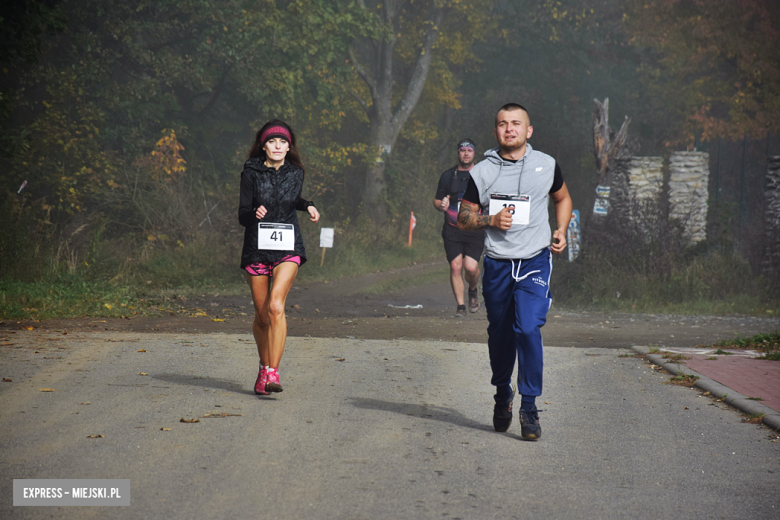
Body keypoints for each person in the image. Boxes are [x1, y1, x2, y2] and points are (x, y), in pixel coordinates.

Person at [457, 103, 572, 440]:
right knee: (501, 333)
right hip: (497, 263)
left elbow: (562, 199)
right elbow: (463, 218)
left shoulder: (546, 165)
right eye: (503, 124)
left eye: (516, 123)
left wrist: (561, 230)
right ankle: (503, 393)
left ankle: (530, 407)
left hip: (535, 259)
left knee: (528, 328)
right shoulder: (481, 172)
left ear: (528, 130)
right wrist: (491, 219)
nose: (510, 129)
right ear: (496, 131)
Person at [238, 120, 320, 396]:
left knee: (275, 306)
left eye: (283, 142)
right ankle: (263, 369)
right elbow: (242, 214)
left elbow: (292, 199)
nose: (278, 146)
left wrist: (307, 205)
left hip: (288, 247)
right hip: (257, 248)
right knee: (262, 316)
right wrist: (254, 215)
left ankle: (274, 371)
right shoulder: (250, 172)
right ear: (263, 146)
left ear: (289, 147)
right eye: (272, 141)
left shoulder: (296, 172)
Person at [433, 139, 486, 318]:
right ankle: (461, 307)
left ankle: (473, 290)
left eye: (469, 150)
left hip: (475, 228)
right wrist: (442, 205)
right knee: (456, 266)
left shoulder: (482, 174)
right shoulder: (448, 175)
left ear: (474, 153)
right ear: (458, 153)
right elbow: (437, 200)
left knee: (470, 268)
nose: (465, 153)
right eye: (462, 150)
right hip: (452, 229)